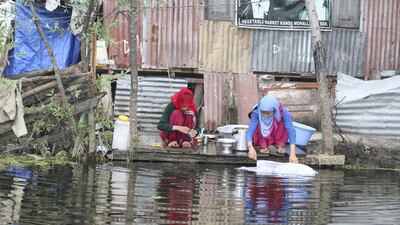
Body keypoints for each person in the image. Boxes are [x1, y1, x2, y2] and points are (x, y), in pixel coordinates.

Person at [246, 93, 298, 163]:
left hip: (276, 130)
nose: (265, 115)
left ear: (274, 110)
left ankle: (278, 146)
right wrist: (250, 148)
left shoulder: (283, 112)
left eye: (268, 113)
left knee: (283, 126)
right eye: (263, 112)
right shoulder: (257, 112)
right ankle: (262, 146)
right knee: (258, 126)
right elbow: (250, 132)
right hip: (262, 133)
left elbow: (291, 131)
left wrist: (293, 154)